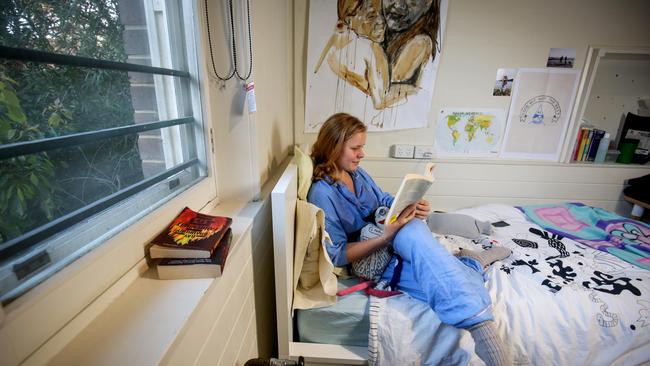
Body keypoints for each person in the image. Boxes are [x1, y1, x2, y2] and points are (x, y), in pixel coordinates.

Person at [307, 113, 513, 366]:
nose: (362, 154)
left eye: (362, 147)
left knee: (421, 241)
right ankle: (473, 277)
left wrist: (409, 204)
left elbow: (383, 199)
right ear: (334, 146)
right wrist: (386, 238)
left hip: (394, 238)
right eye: (356, 148)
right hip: (379, 255)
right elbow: (336, 254)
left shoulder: (358, 174)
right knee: (439, 270)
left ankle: (469, 264)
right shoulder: (322, 193)